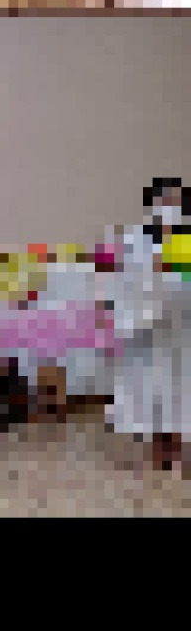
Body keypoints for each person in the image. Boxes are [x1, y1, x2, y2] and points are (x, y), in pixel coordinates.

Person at [104, 177, 191, 472]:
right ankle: (158, 450)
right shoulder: (134, 239)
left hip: (180, 328)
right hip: (147, 329)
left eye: (177, 200)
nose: (171, 205)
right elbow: (122, 280)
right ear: (153, 203)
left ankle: (178, 447)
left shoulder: (187, 239)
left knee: (180, 390)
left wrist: (174, 268)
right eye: (166, 199)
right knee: (153, 391)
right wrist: (153, 269)